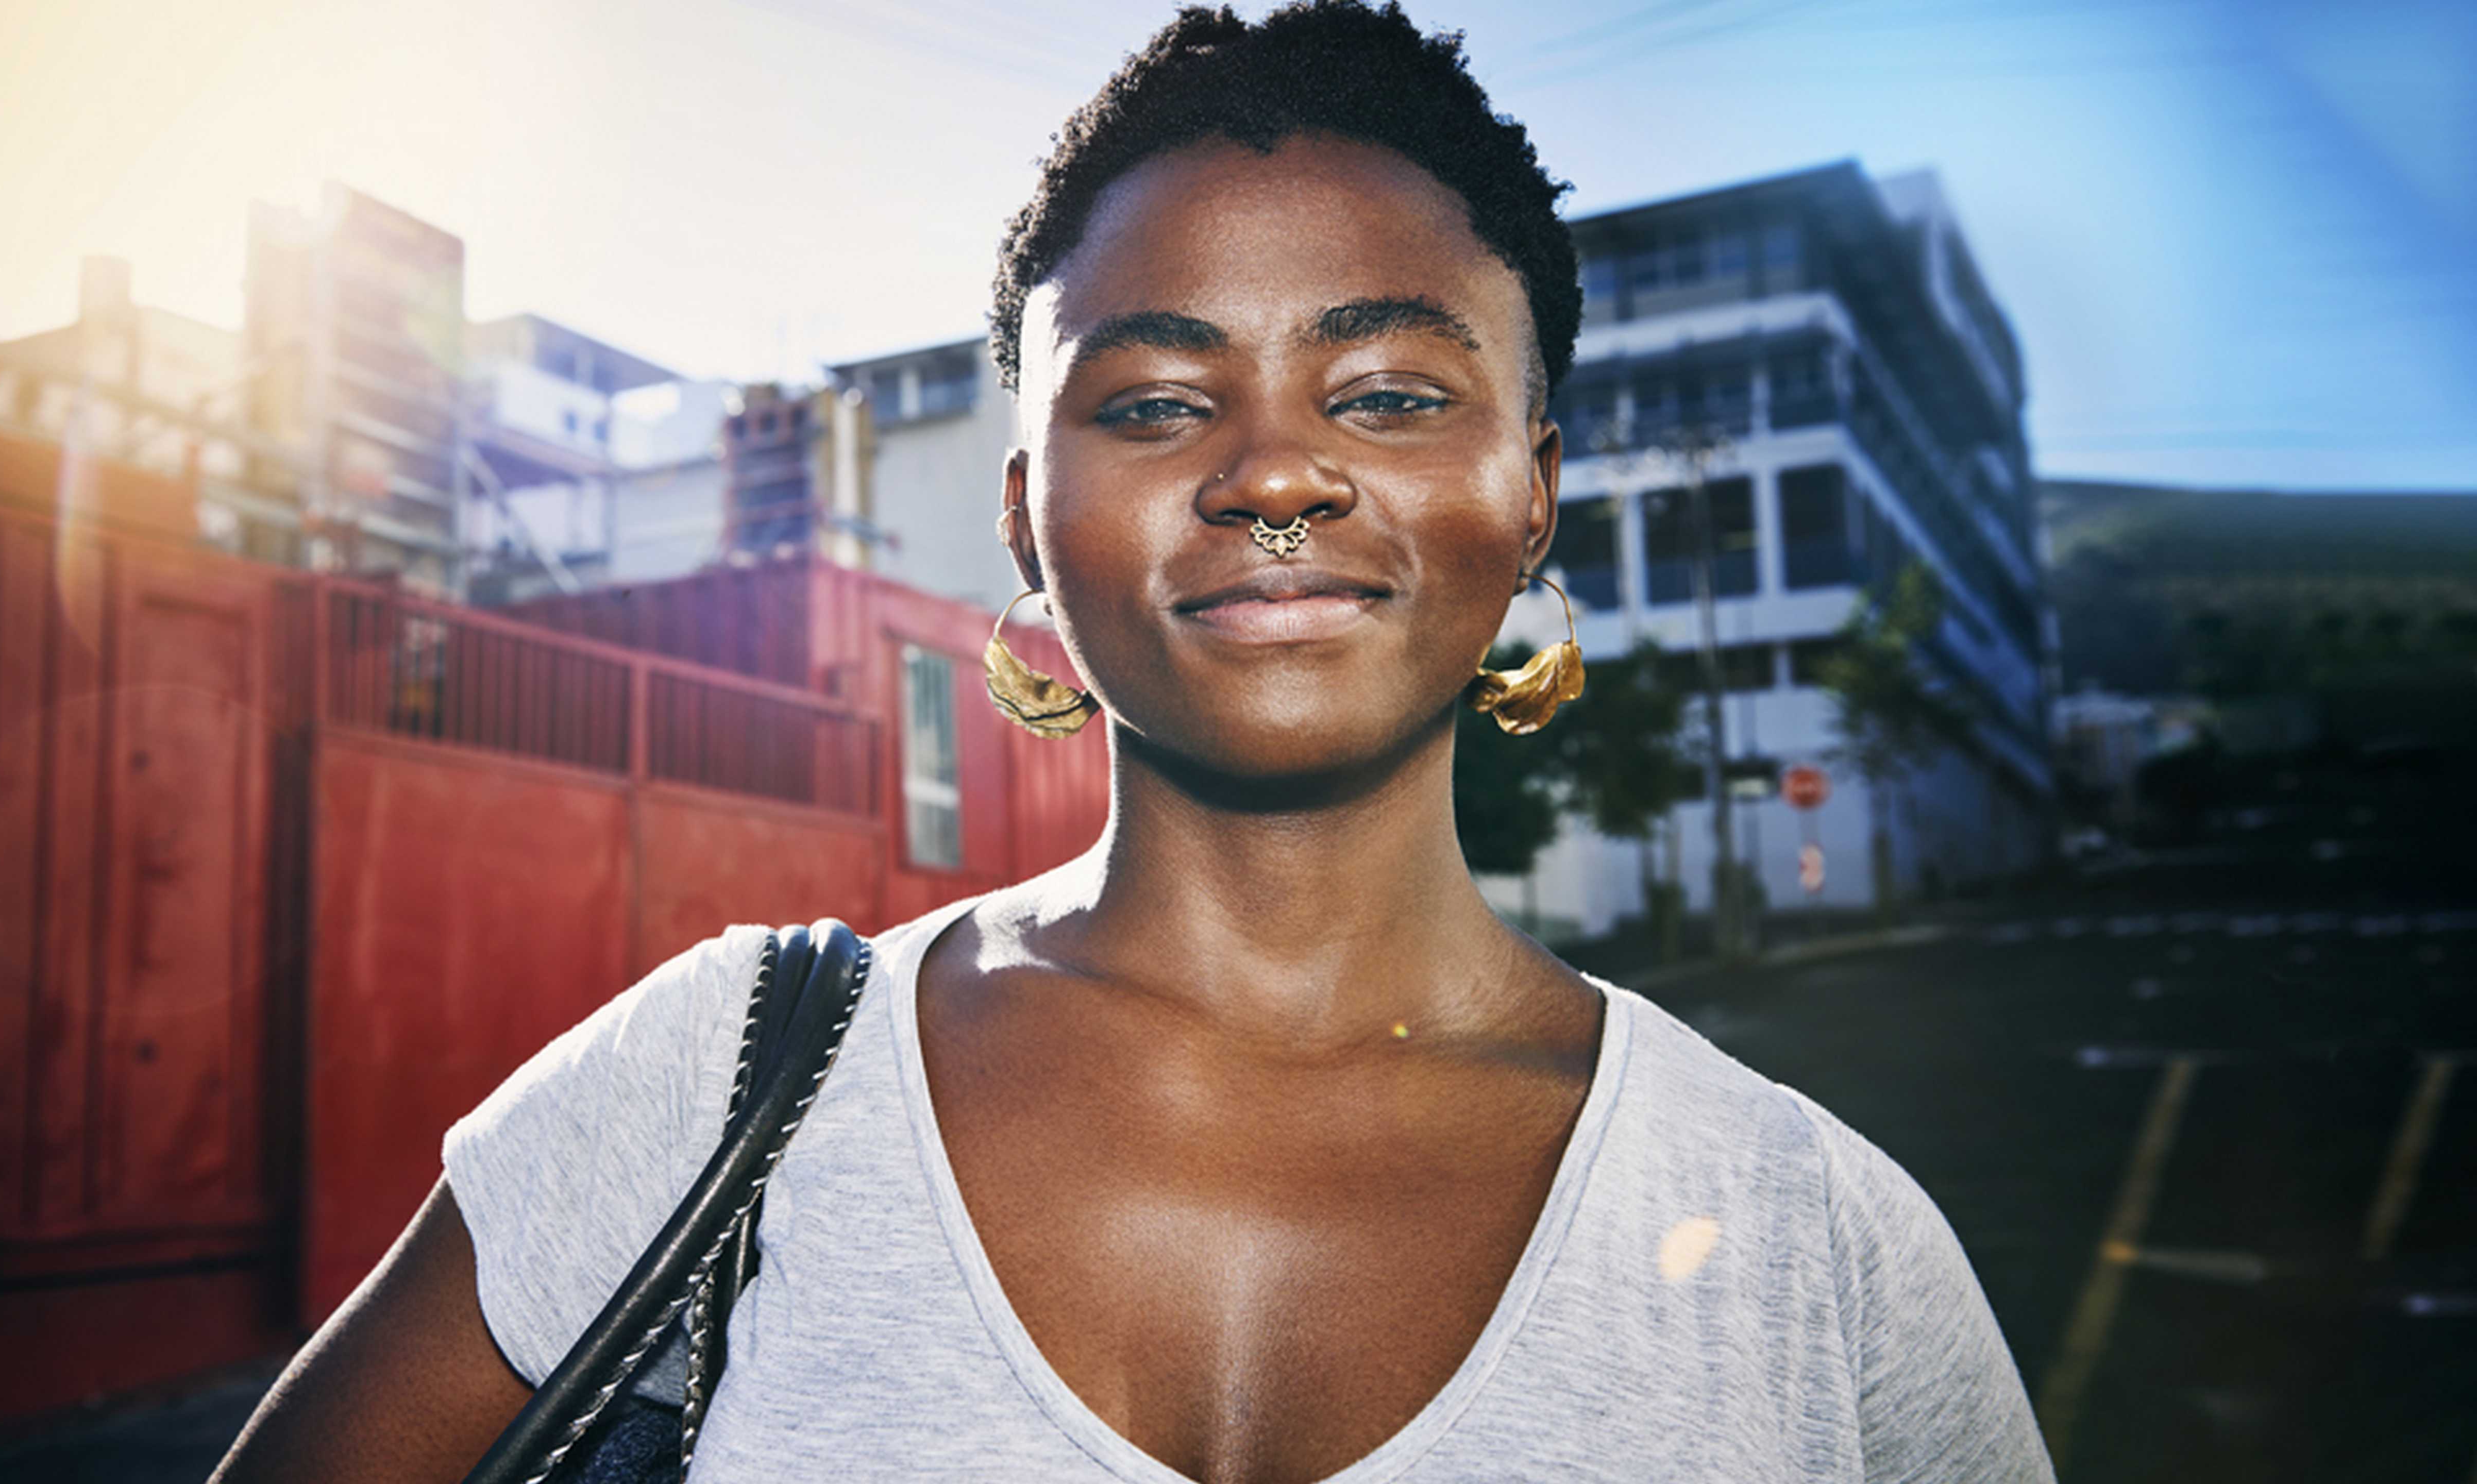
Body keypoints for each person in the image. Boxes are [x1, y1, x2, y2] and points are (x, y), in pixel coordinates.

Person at [211, 4, 2055, 1480]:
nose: (1271, 472)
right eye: (1159, 400)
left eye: (1394, 392)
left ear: (1534, 493)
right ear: (1027, 517)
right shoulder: (722, 1089)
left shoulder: (1824, 1253)